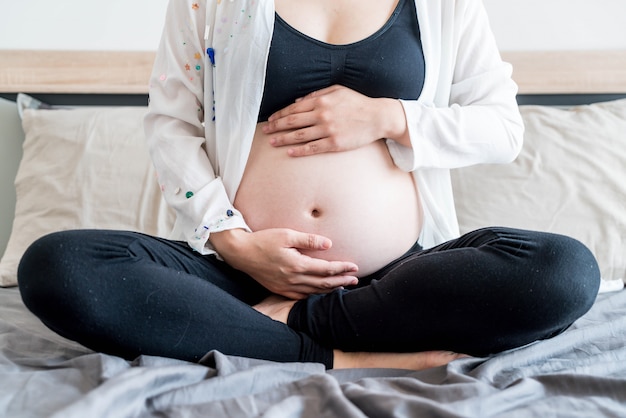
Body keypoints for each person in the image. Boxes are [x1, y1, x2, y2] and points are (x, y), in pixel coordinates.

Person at [18, 0, 600, 370]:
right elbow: (171, 124)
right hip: (237, 274)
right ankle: (338, 356)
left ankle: (294, 326)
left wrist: (388, 117)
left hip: (398, 281)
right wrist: (231, 240)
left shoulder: (443, 4)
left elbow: (502, 128)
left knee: (564, 270)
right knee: (59, 266)